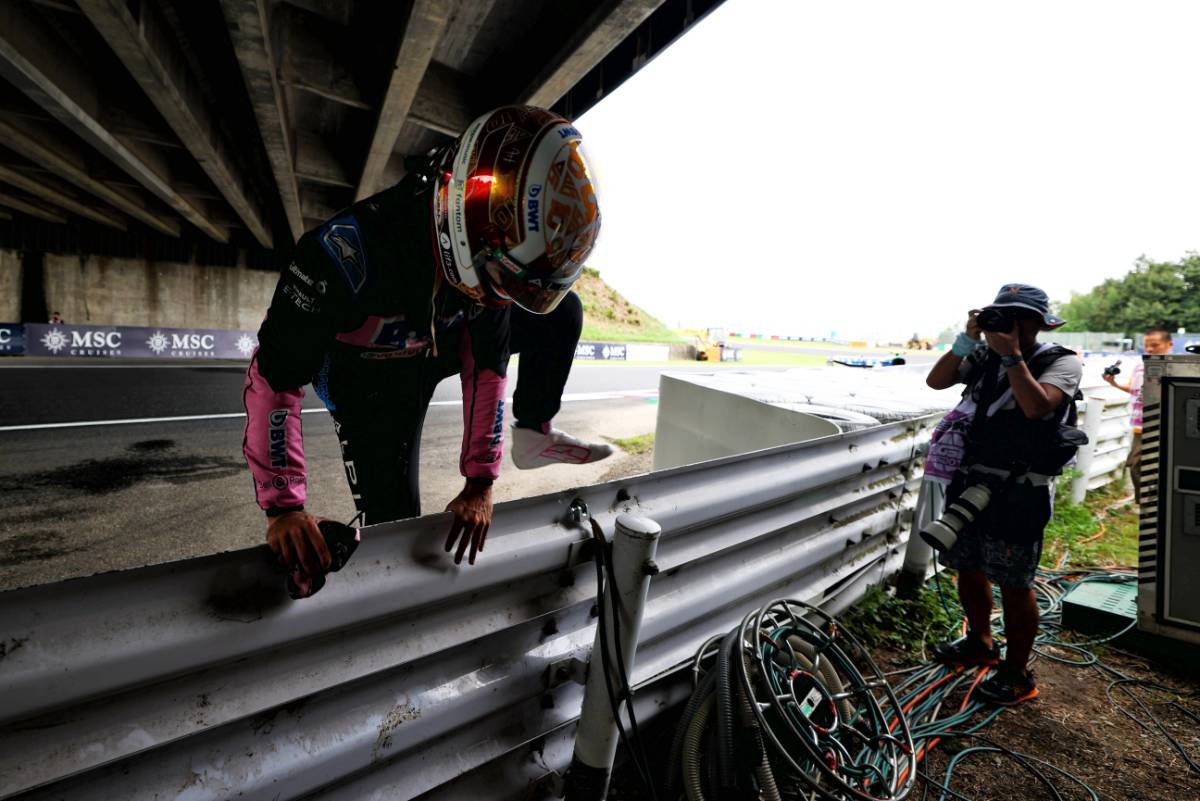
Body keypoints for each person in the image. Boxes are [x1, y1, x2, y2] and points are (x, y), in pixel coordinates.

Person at [242, 106, 610, 584]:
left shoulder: (486, 256)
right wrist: (283, 506)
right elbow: (275, 376)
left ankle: (534, 431)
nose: (505, 295)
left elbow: (488, 367)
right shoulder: (337, 255)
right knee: (397, 529)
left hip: (436, 341)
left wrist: (481, 481)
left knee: (563, 311)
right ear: (464, 220)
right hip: (367, 381)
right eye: (504, 278)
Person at [923, 284, 1083, 705]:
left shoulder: (1061, 361)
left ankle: (1017, 672)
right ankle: (980, 641)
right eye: (1001, 314)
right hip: (970, 477)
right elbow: (936, 381)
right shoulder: (981, 357)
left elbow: (1036, 407)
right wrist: (967, 341)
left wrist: (1011, 354)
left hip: (1020, 489)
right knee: (967, 566)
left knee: (1014, 582)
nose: (1009, 323)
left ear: (1039, 321)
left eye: (1019, 316)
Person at [1103, 327, 1173, 504]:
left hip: (1163, 424)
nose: (1150, 349)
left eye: (1155, 345)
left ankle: (1157, 504)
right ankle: (1145, 502)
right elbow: (1133, 389)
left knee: (1159, 466)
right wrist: (1114, 383)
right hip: (1139, 425)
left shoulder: (1176, 367)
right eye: (1147, 345)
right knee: (1135, 464)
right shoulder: (1140, 366)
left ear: (1169, 345)